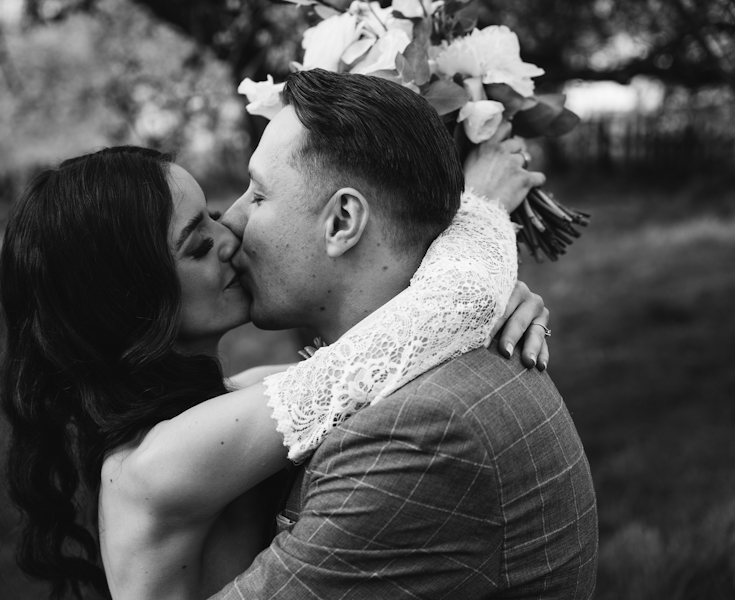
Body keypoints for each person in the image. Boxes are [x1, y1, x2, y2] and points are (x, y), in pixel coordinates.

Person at [0, 80, 555, 600]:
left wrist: (488, 297)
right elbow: (439, 316)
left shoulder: (234, 398)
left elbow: (398, 342)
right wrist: (479, 209)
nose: (230, 233)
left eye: (215, 214)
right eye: (197, 246)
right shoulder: (158, 463)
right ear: (130, 304)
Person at [205, 69, 598, 599]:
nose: (229, 223)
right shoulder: (423, 373)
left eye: (257, 195)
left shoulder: (416, 432)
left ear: (342, 221)